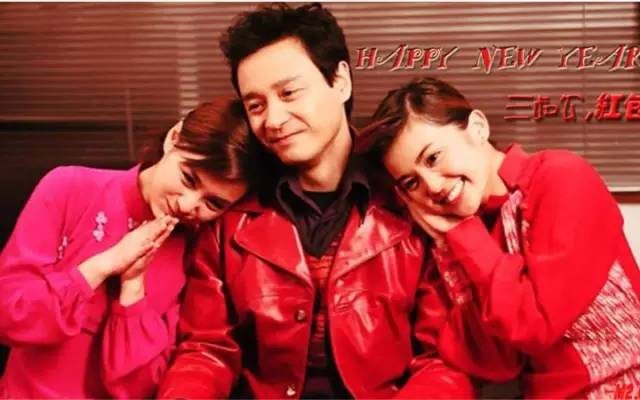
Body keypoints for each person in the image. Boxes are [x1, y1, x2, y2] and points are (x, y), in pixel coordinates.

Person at [158, 3, 474, 399]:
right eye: (256, 105)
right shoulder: (229, 212)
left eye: (289, 93)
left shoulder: (410, 197)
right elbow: (206, 351)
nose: (273, 120)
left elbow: (442, 359)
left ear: (340, 81)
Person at [356, 76, 640, 398]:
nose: (432, 187)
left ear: (477, 128)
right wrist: (451, 245)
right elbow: (498, 363)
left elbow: (534, 326)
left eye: (433, 157)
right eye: (411, 183)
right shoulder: (460, 237)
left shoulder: (560, 179)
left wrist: (463, 237)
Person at [0, 97, 258, 397]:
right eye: (188, 179)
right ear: (174, 138)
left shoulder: (198, 250)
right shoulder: (68, 187)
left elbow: (140, 387)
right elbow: (8, 314)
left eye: (213, 203)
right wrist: (102, 266)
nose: (188, 205)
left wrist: (133, 289)